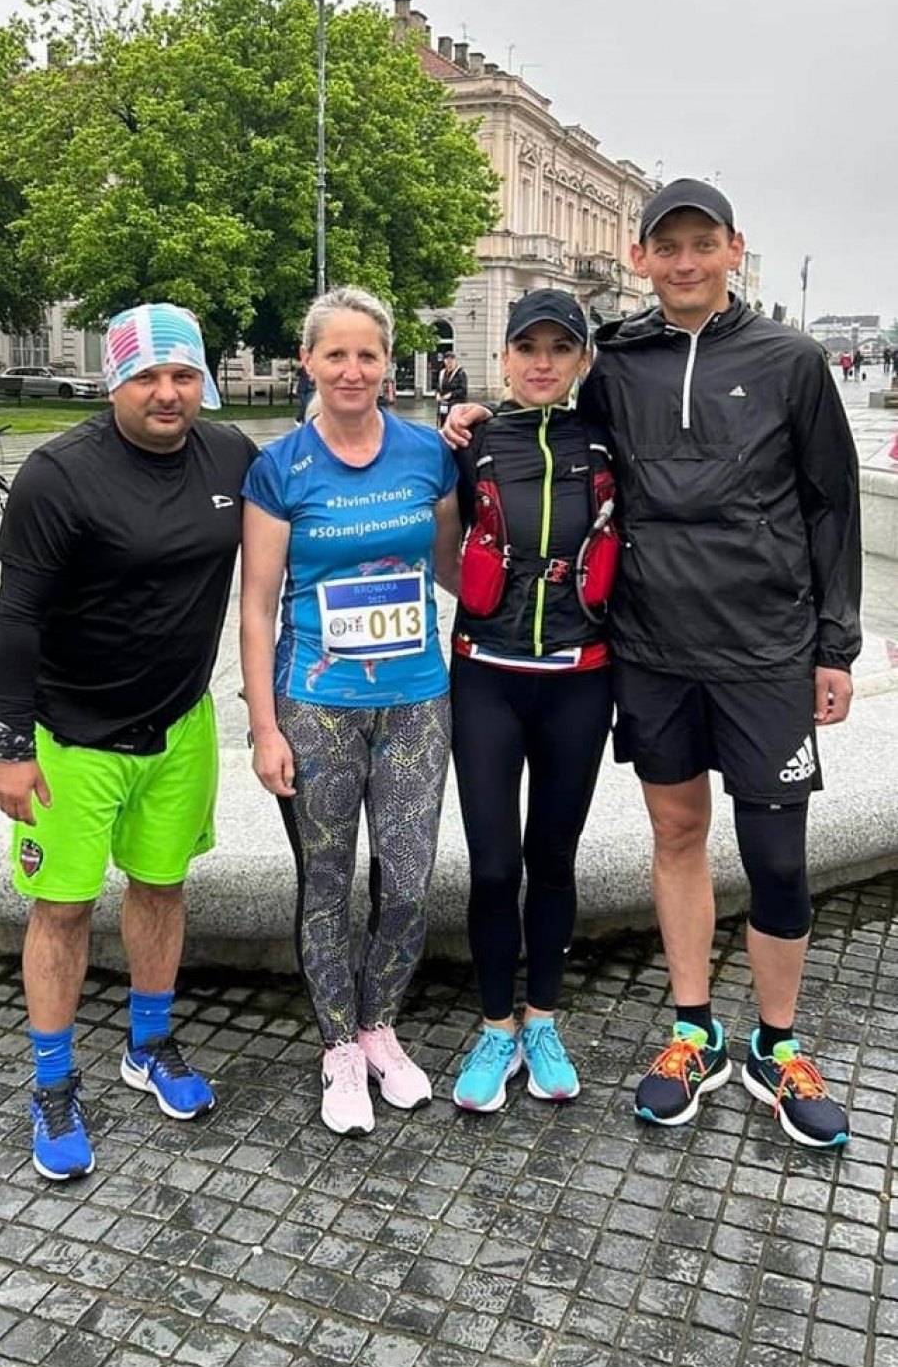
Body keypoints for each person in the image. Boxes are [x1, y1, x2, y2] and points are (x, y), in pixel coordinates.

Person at [445, 179, 861, 1149]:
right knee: (677, 834)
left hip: (766, 651)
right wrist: (466, 422)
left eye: (701, 244)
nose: (684, 262)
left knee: (778, 859)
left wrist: (833, 644)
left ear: (733, 249)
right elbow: (545, 423)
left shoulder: (793, 360)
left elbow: (832, 502)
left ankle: (779, 1045)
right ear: (640, 259)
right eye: (666, 246)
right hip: (654, 652)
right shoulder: (617, 363)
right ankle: (692, 1032)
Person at [0, 303, 256, 1180]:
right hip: (71, 737)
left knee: (161, 886)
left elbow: (324, 470)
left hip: (179, 725)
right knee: (62, 908)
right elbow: (14, 617)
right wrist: (10, 745)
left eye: (183, 374)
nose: (167, 392)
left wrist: (458, 428)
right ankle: (52, 1081)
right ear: (114, 381)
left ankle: (148, 1044)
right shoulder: (58, 475)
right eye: (146, 376)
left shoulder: (231, 454)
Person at [240, 285, 461, 1138]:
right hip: (317, 705)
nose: (352, 369)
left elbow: (455, 568)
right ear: (308, 361)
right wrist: (265, 727)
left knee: (406, 881)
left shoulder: (427, 454)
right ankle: (337, 1043)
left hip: (415, 703)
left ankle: (379, 1025)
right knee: (325, 882)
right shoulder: (280, 468)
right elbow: (257, 606)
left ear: (388, 362)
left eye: (367, 354)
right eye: (335, 353)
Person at [450, 290, 615, 1114]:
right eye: (528, 347)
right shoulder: (471, 442)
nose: (542, 362)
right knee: (492, 865)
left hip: (580, 677)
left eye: (560, 347)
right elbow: (430, 544)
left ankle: (542, 1019)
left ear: (583, 359)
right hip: (486, 673)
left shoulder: (607, 440)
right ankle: (494, 1027)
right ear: (505, 357)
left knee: (552, 858)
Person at [435, 351, 468, 428]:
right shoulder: (442, 373)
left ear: (455, 361)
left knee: (453, 426)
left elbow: (463, 390)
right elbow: (438, 387)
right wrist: (437, 394)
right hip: (443, 405)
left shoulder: (461, 373)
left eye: (451, 359)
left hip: (455, 406)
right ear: (444, 361)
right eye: (447, 359)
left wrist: (451, 395)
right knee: (443, 425)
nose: (449, 362)